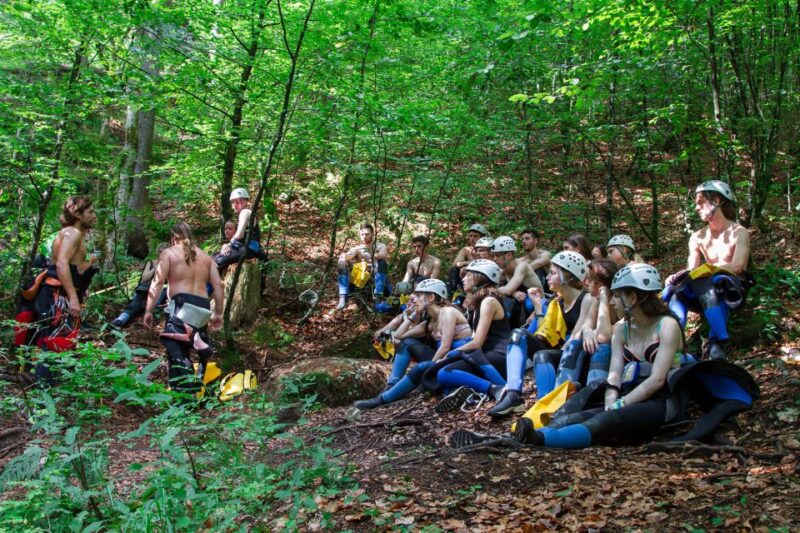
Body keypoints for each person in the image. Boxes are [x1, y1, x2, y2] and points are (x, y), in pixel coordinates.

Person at [510, 264, 685, 447]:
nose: (612, 302)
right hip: (626, 395)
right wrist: (611, 398)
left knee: (605, 420)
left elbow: (657, 380)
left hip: (661, 401)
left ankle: (541, 440)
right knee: (576, 417)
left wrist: (619, 405)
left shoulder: (667, 326)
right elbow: (615, 374)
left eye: (617, 296)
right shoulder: (620, 328)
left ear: (633, 298)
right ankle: (530, 435)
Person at [487, 251, 595, 417]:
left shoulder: (586, 299)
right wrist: (538, 306)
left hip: (576, 358)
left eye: (552, 273)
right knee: (518, 334)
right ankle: (513, 394)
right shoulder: (556, 301)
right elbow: (543, 333)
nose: (547, 278)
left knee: (542, 355)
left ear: (567, 275)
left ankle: (544, 407)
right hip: (560, 352)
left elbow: (575, 336)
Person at [663, 181, 751, 359]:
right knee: (676, 292)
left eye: (700, 202)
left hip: (732, 288)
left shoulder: (739, 232)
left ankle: (715, 342)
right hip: (702, 289)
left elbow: (738, 266)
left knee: (719, 281)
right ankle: (673, 340)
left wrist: (709, 269)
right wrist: (677, 277)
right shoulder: (697, 237)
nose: (696, 208)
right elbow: (692, 270)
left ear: (717, 200)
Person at [354, 279, 472, 409]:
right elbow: (399, 336)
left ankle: (381, 401)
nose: (414, 300)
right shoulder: (430, 323)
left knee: (421, 367)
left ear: (431, 297)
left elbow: (445, 348)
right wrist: (411, 315)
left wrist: (428, 370)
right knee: (406, 342)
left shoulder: (448, 312)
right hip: (443, 361)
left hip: (459, 361)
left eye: (419, 295)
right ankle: (391, 385)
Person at [144, 222, 223, 394]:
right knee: (197, 349)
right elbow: (219, 285)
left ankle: (184, 399)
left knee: (176, 351)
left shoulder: (169, 253)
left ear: (173, 237)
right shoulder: (205, 256)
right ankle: (200, 392)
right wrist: (218, 313)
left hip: (181, 306)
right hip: (202, 308)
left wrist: (148, 310)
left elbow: (157, 283)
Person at [32, 196, 99, 383]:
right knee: (54, 342)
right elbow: (61, 264)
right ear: (77, 214)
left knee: (60, 341)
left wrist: (89, 262)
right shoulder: (72, 234)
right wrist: (73, 298)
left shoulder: (70, 234)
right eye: (90, 212)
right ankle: (43, 399)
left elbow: (72, 267)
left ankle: (54, 393)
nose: (95, 216)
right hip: (57, 296)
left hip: (58, 294)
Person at [433, 260, 511, 412]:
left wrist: (450, 354)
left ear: (480, 277)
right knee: (445, 377)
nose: (463, 278)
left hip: (498, 356)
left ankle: (495, 389)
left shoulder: (489, 301)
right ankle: (469, 392)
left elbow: (477, 343)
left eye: (467, 274)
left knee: (444, 373)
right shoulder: (480, 302)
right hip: (485, 356)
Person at [111, 243, 170, 328]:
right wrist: (156, 268)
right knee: (134, 306)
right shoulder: (151, 263)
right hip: (144, 290)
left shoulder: (171, 267)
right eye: (161, 252)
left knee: (156, 304)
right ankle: (119, 321)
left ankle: (149, 320)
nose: (162, 254)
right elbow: (145, 278)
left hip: (158, 293)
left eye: (165, 253)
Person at [491, 236, 544, 328]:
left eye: (498, 255)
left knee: (522, 302)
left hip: (540, 306)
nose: (494, 259)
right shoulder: (503, 271)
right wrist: (514, 293)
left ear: (509, 255)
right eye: (493, 256)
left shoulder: (522, 266)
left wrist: (511, 292)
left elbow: (507, 290)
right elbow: (492, 287)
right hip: (523, 307)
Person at [336, 222, 390, 310]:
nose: (364, 237)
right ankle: (343, 296)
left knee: (382, 262)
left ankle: (378, 296)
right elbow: (350, 254)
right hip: (361, 278)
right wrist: (344, 256)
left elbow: (383, 255)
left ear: (372, 234)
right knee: (342, 262)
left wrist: (370, 256)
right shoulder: (357, 249)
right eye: (362, 234)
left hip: (376, 276)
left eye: (367, 234)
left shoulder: (380, 245)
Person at [213, 188, 262, 271]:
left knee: (216, 262)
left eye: (237, 202)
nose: (234, 205)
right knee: (215, 257)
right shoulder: (247, 213)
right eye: (232, 203)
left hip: (249, 250)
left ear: (245, 201)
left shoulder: (245, 212)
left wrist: (228, 244)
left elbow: (239, 235)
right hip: (248, 249)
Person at [446, 223, 489, 294]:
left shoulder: (488, 249)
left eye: (475, 236)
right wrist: (464, 265)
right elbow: (455, 264)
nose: (472, 239)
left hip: (483, 279)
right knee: (454, 270)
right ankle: (449, 295)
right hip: (467, 280)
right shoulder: (466, 250)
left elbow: (488, 263)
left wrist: (466, 264)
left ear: (482, 237)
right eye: (470, 236)